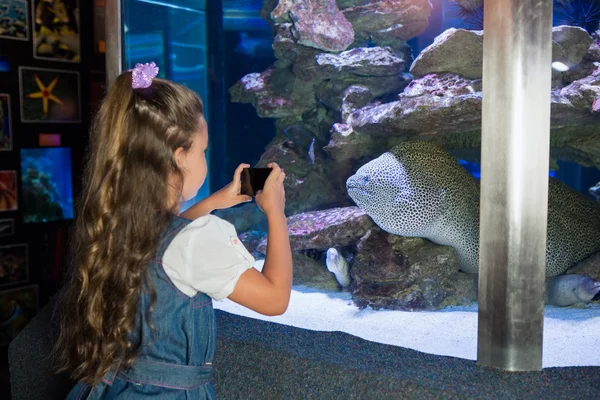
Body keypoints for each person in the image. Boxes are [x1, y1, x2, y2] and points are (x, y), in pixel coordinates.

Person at [53, 62, 292, 399]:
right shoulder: (198, 238)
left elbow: (168, 243)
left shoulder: (116, 219)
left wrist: (216, 200)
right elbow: (275, 298)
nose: (205, 158)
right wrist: (276, 213)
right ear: (180, 158)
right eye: (203, 150)